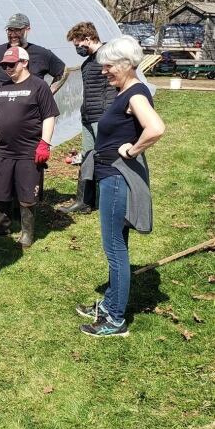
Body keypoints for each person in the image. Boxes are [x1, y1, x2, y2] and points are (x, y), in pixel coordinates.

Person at [76, 36, 164, 337]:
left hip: (117, 177)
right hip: (110, 175)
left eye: (109, 66)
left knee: (114, 249)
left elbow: (156, 128)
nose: (104, 72)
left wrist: (132, 150)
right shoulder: (125, 91)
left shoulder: (135, 94)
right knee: (118, 245)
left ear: (126, 65)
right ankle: (110, 302)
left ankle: (115, 319)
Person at [0, 14, 66, 221]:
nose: (13, 34)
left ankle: (18, 205)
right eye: (10, 30)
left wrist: (49, 92)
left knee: (26, 165)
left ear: (27, 29)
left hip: (28, 120)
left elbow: (62, 71)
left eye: (17, 30)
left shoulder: (41, 54)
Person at [0, 47, 59, 248]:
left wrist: (45, 143)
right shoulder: (1, 87)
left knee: (27, 193)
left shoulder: (39, 86)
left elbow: (49, 116)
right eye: (4, 65)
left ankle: (27, 233)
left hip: (28, 150)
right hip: (3, 149)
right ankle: (2, 226)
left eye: (11, 64)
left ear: (24, 62)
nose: (7, 68)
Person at [60, 22, 116, 213]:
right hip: (88, 116)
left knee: (106, 158)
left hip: (104, 116)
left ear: (88, 38)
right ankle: (84, 201)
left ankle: (106, 200)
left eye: (78, 44)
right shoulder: (88, 63)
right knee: (88, 157)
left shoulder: (110, 56)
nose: (77, 49)